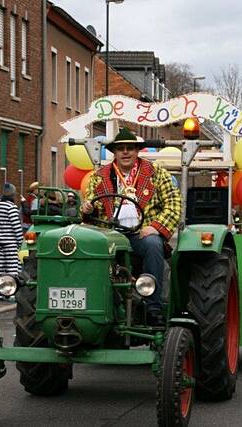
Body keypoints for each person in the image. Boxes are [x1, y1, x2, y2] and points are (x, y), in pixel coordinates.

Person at [80, 127, 182, 326]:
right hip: (110, 235)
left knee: (154, 244)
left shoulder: (156, 173)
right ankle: (94, 304)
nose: (125, 152)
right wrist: (87, 208)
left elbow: (174, 203)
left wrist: (156, 227)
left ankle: (153, 307)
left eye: (130, 148)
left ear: (137, 151)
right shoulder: (99, 177)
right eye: (121, 149)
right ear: (114, 153)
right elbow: (89, 208)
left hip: (141, 234)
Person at [0, 183, 23, 300]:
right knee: (12, 269)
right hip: (10, 243)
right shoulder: (11, 208)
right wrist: (20, 242)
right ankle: (11, 294)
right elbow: (16, 227)